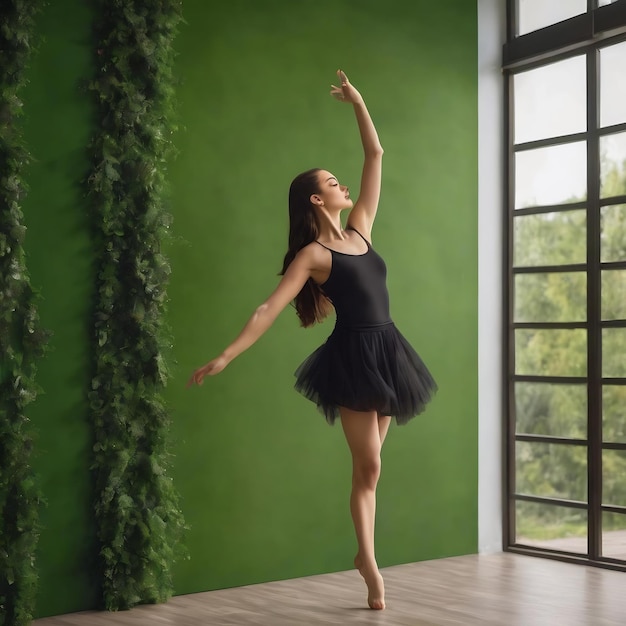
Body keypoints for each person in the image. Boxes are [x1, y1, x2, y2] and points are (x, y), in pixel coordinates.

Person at [187, 70, 437, 611]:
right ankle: (369, 565)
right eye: (331, 183)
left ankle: (364, 552)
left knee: (372, 469)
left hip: (390, 353)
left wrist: (358, 101)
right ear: (315, 201)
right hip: (352, 359)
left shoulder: (362, 229)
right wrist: (227, 355)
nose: (343, 185)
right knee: (368, 467)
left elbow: (375, 155)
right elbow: (268, 308)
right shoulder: (314, 257)